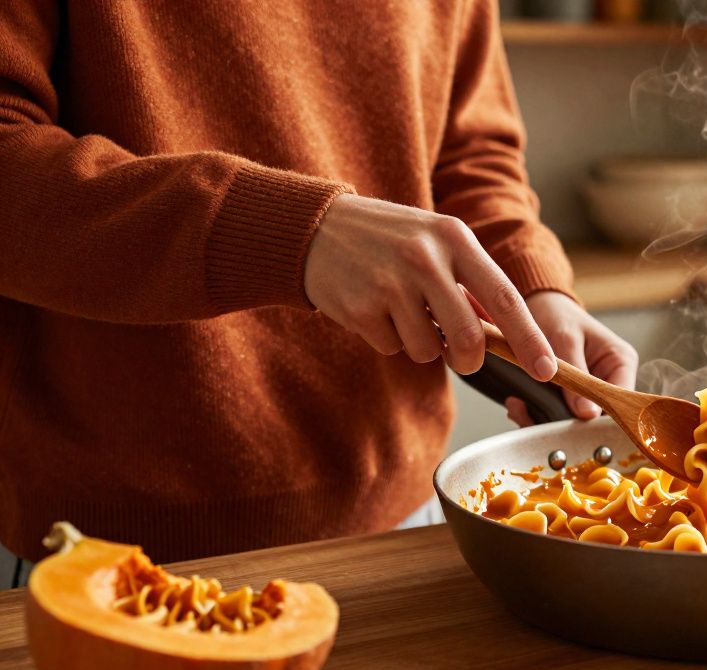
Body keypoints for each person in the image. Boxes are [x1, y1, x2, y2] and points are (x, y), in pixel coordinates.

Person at [0, 1, 638, 589]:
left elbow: (471, 152)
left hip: (407, 517)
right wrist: (291, 236)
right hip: (112, 550)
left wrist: (531, 289)